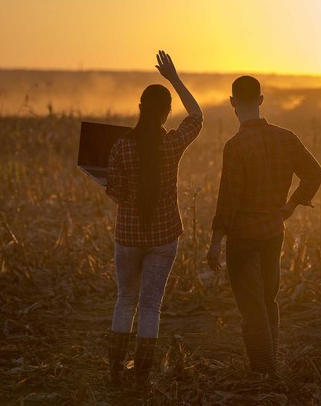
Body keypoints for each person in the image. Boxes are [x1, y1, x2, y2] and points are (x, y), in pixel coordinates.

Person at [207, 75, 321, 376]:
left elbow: (228, 198)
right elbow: (314, 174)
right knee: (267, 300)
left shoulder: (235, 146)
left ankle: (263, 368)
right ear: (261, 100)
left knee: (250, 306)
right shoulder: (286, 137)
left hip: (243, 238)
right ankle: (270, 365)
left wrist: (216, 241)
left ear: (232, 102)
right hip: (274, 232)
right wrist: (292, 205)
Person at [105, 51, 203, 391]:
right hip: (164, 237)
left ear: (140, 108)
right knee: (150, 306)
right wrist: (174, 79)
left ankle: (116, 372)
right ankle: (141, 379)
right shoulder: (173, 144)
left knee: (125, 300)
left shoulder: (120, 147)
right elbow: (198, 115)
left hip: (128, 237)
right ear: (165, 113)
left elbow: (114, 192)